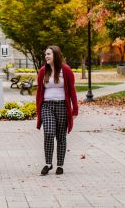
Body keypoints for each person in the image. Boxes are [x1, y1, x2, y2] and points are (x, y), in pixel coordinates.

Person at [36, 45, 78, 175]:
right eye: (45, 55)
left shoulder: (66, 70)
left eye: (48, 54)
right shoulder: (43, 71)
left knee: (61, 136)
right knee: (48, 132)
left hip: (62, 106)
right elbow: (39, 92)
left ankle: (60, 165)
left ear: (56, 55)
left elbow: (72, 90)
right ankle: (48, 164)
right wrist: (38, 109)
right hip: (47, 106)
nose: (46, 56)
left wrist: (74, 109)